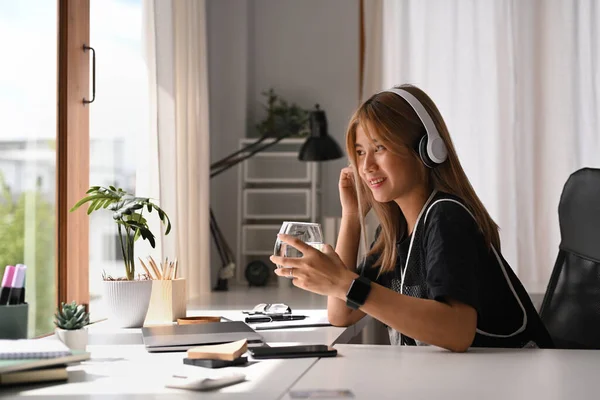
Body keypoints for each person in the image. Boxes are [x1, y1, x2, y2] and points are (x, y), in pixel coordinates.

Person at [270, 84, 553, 352]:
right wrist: (353, 215)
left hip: (516, 376)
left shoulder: (446, 217)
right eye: (359, 152)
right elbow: (342, 313)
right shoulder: (396, 232)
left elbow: (458, 331)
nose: (366, 166)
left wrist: (344, 283)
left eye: (379, 148)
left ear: (426, 149)